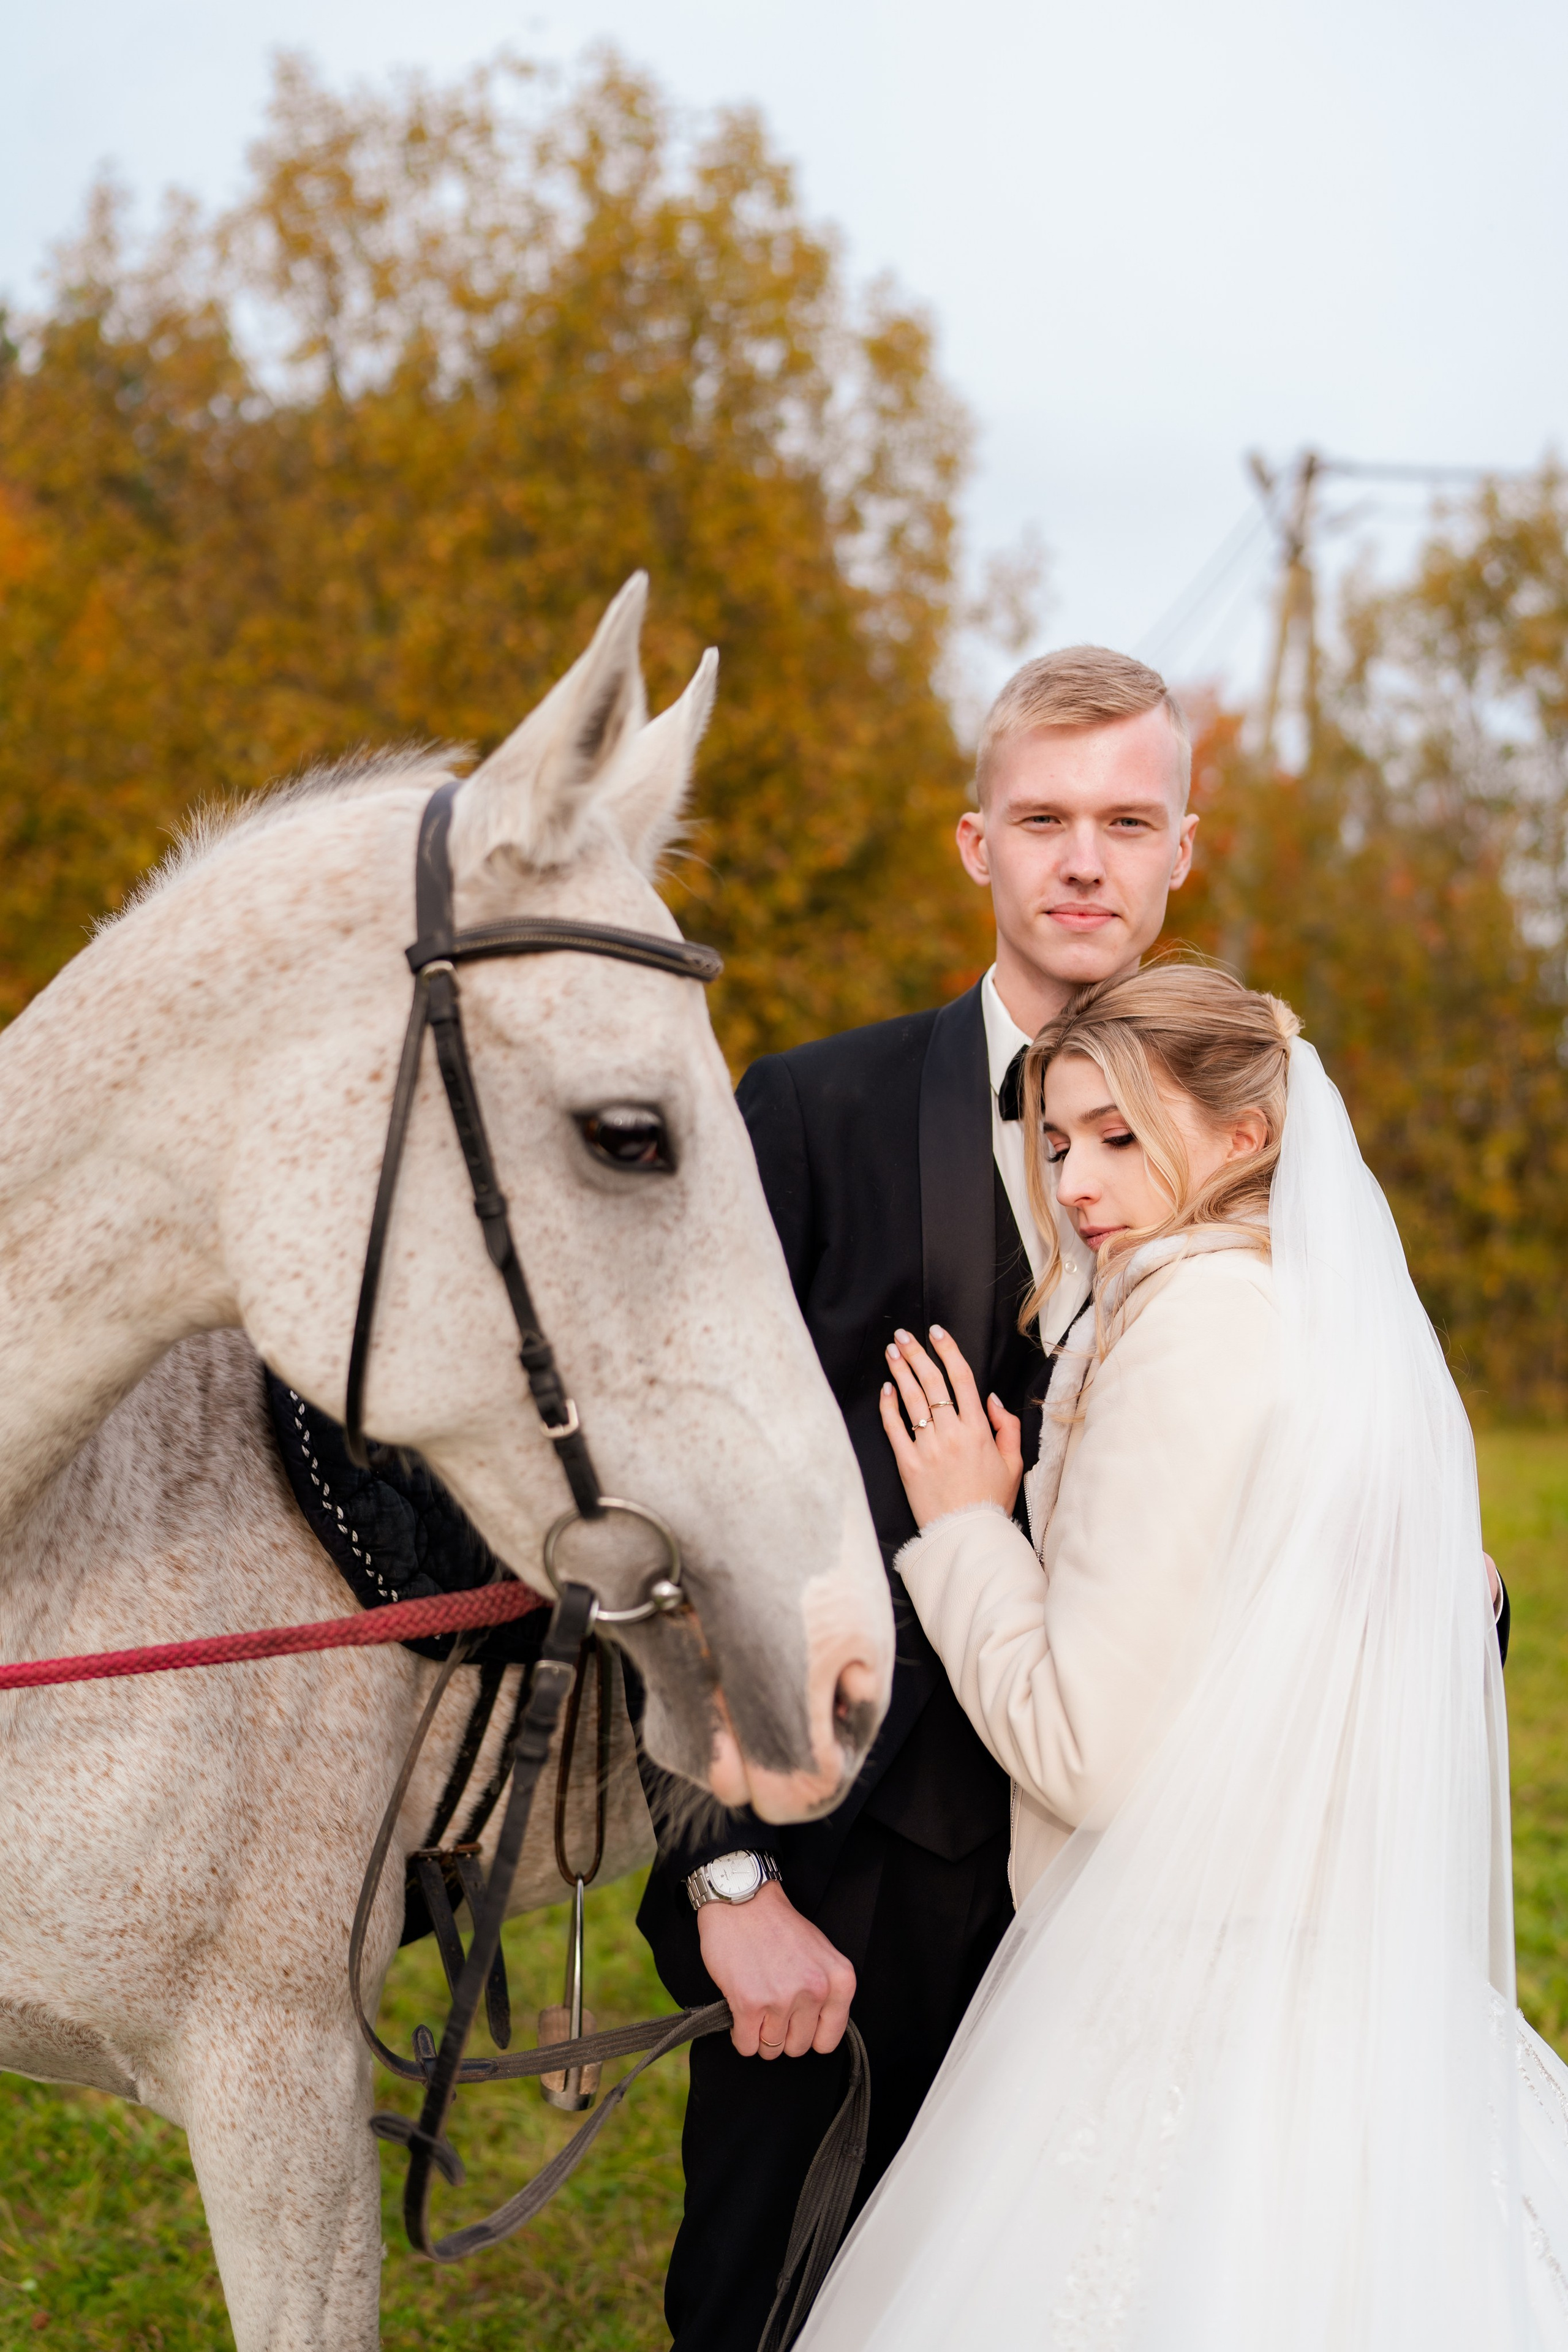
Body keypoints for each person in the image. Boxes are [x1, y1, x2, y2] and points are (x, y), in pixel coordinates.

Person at [796, 963, 1556, 2352]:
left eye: (1118, 1136)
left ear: (1242, 1138)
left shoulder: (1190, 1333)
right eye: (1053, 1141)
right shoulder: (1311, 1312)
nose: (1075, 1182)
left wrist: (966, 1526)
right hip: (1329, 1959)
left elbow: (1085, 1754)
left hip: (1185, 1980)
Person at [636, 647, 1204, 2352]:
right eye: (1044, 818)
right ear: (977, 845)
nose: (1084, 858)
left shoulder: (1261, 1132)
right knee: (765, 2306)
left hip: (1140, 1883)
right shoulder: (810, 1112)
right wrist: (732, 1888)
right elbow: (675, 1512)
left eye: (1127, 818)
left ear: (1186, 846)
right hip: (844, 1882)